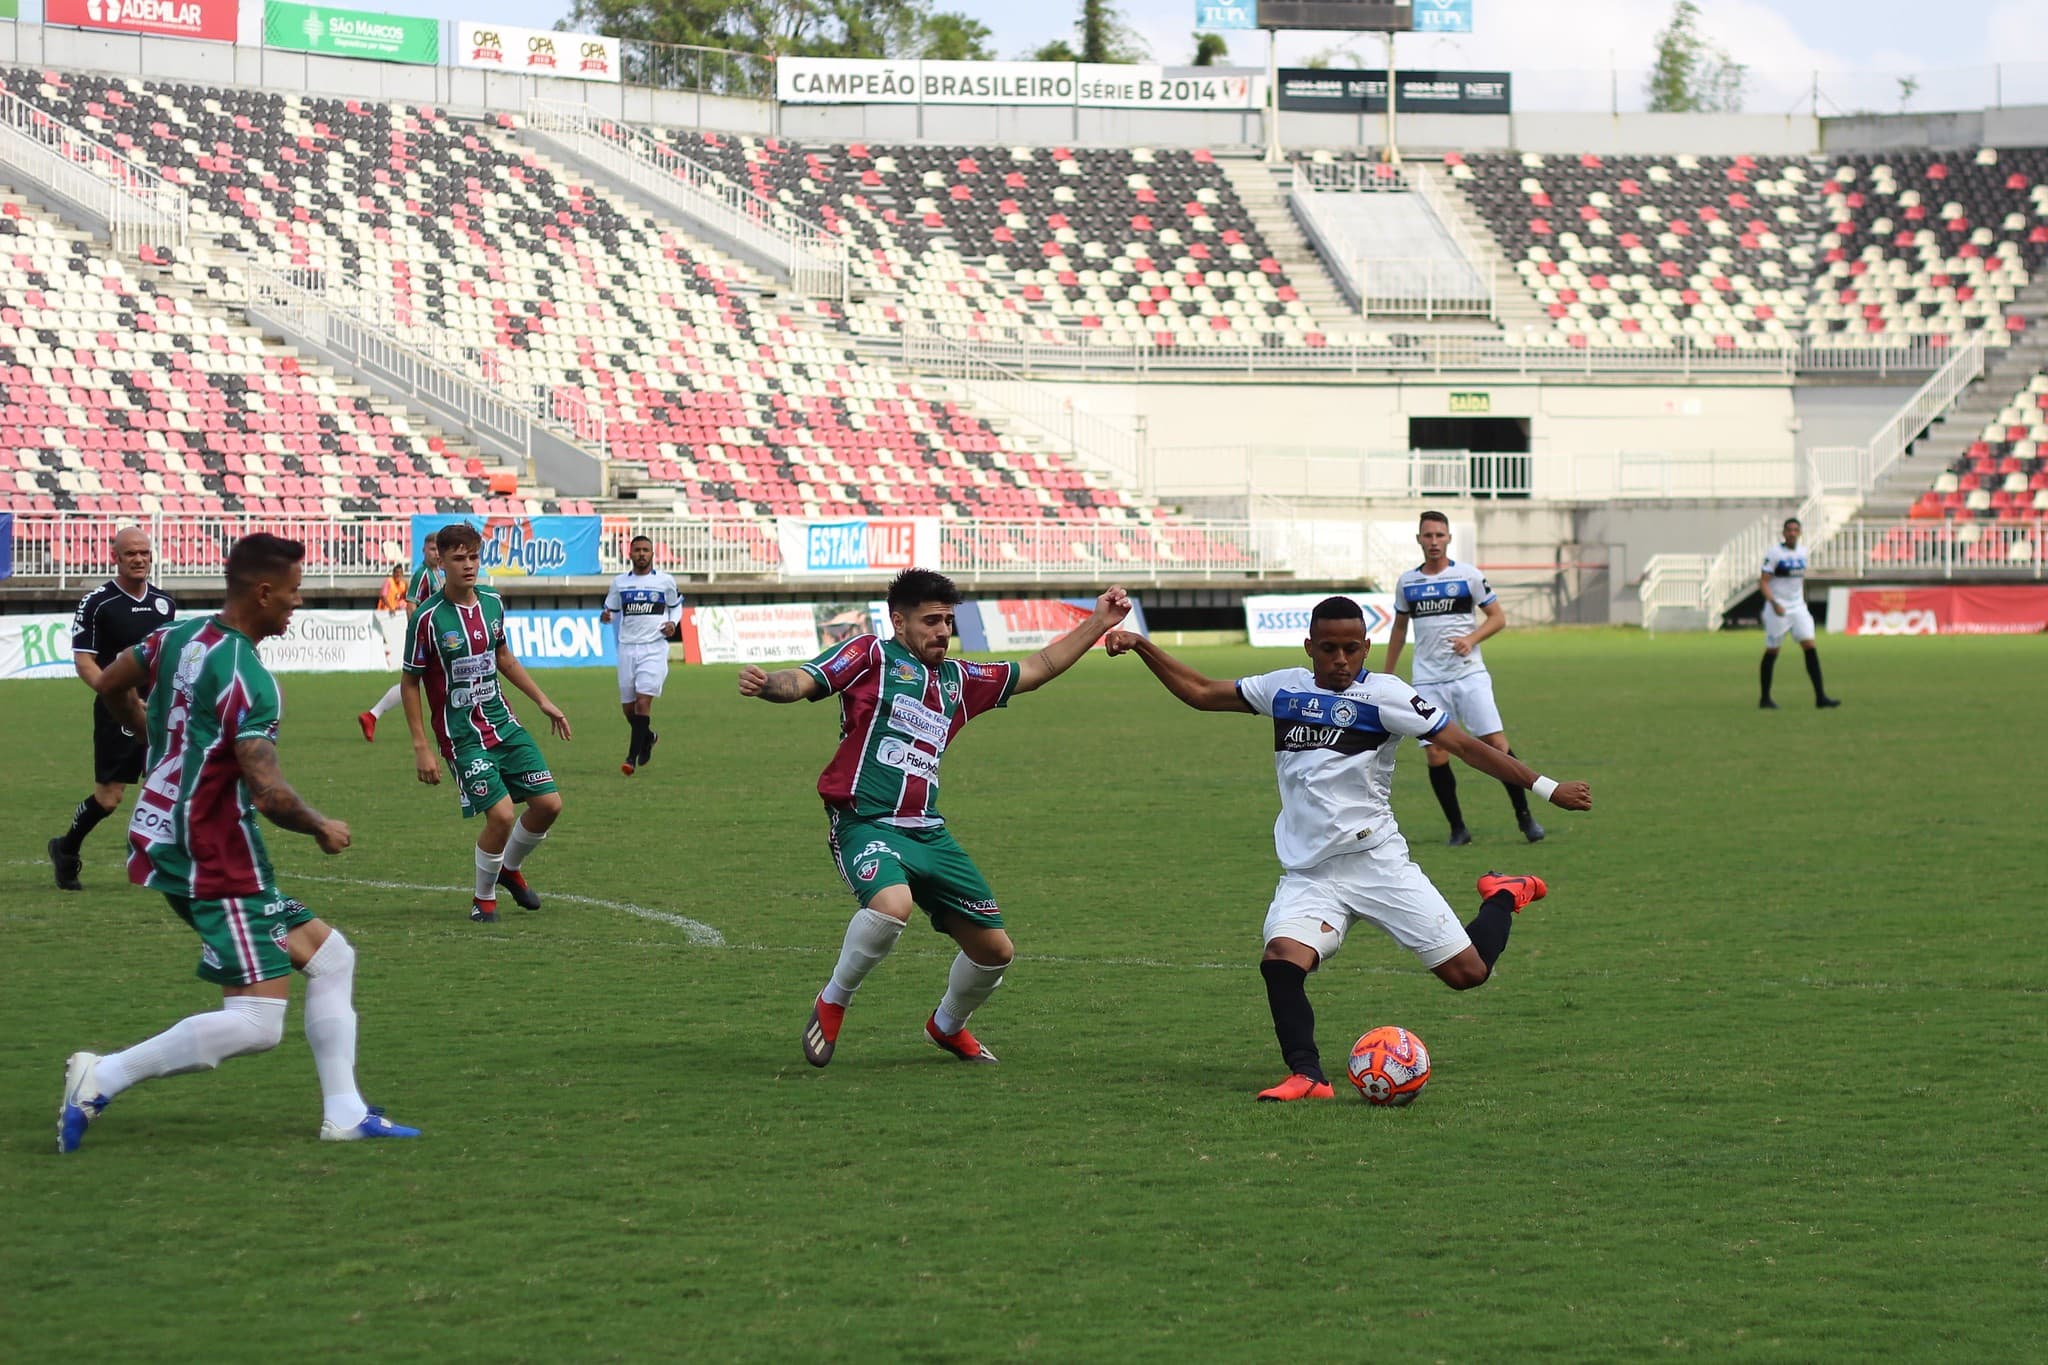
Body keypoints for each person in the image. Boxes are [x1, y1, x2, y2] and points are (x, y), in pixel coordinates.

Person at [1105, 596, 1592, 1102]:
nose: (1341, 659)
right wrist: (1142, 644)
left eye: (1352, 649)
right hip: (1310, 873)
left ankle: (1503, 895)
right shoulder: (1283, 688)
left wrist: (1546, 787)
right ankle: (1309, 1075)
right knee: (1281, 959)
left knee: (1467, 974)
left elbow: (1467, 746)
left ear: (1367, 648)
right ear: (1310, 647)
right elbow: (1203, 692)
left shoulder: (1388, 696)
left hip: (1377, 862)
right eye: (1330, 648)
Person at [57, 533, 420, 1151]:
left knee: (332, 959)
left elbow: (111, 683)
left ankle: (345, 1112)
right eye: (294, 590)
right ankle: (103, 1075)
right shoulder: (250, 679)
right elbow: (269, 791)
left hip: (172, 834)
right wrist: (321, 826)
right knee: (256, 1022)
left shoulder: (177, 637)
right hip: (211, 852)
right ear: (263, 591)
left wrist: (151, 734)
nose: (298, 603)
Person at [739, 569, 1130, 1069]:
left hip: (928, 830)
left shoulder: (960, 680)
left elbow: (1041, 664)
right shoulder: (871, 655)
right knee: (891, 906)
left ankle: (946, 1027)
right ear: (899, 622)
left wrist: (1098, 621)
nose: (943, 631)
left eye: (948, 620)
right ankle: (833, 1000)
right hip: (865, 822)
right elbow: (806, 679)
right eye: (931, 621)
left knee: (995, 952)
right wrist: (769, 684)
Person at [400, 523, 572, 923]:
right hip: (461, 736)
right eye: (458, 558)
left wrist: (543, 701)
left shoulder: (493, 602)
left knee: (549, 805)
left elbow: (504, 657)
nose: (468, 566)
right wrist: (421, 746)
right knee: (501, 815)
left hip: (502, 722)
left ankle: (509, 868)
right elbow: (410, 683)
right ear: (440, 562)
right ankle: (483, 899)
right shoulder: (426, 619)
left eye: (474, 557)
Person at [1382, 511, 1543, 846]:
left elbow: (1497, 618)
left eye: (1440, 535)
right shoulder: (1407, 583)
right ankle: (1458, 829)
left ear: (1449, 539)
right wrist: (1387, 674)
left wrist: (1471, 639)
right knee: (1436, 753)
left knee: (1497, 746)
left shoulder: (1468, 576)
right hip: (1427, 680)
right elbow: (1399, 629)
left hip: (1469, 676)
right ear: (1419, 540)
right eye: (1428, 536)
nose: (1434, 542)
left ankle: (1524, 816)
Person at [48, 526, 177, 891]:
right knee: (109, 798)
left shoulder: (164, 603)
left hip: (159, 708)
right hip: (117, 710)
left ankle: (168, 861)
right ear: (116, 558)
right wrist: (116, 696)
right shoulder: (98, 602)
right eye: (131, 553)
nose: (139, 559)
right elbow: (85, 661)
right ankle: (66, 848)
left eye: (145, 553)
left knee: (174, 783)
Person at [600, 534, 683, 775]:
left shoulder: (665, 581)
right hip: (627, 648)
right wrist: (606, 617)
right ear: (630, 553)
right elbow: (611, 610)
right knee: (629, 710)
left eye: (646, 550)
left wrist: (673, 624)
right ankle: (648, 737)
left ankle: (631, 758)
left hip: (654, 648)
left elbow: (676, 606)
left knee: (643, 702)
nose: (642, 554)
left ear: (653, 554)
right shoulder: (619, 583)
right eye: (637, 550)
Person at [358, 536, 444, 741]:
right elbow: (411, 604)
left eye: (438, 549)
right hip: (427, 639)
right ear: (423, 549)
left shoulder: (436, 573)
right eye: (432, 549)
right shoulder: (422, 574)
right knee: (423, 682)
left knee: (417, 682)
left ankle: (372, 715)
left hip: (434, 637)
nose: (436, 553)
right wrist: (419, 636)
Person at [1759, 517, 1840, 710]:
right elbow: (1763, 581)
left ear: (1800, 533)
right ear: (1784, 533)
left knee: (1810, 645)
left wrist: (1801, 601)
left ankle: (1820, 697)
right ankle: (1765, 698)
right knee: (1773, 650)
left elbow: (1797, 581)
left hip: (1798, 607)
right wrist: (1774, 603)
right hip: (1777, 608)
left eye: (1796, 530)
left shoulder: (1803, 552)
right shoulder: (1775, 553)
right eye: (1789, 530)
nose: (1792, 533)